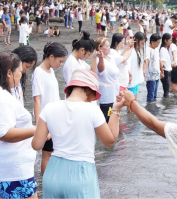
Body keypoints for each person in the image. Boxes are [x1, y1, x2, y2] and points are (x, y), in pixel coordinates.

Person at [32, 69, 124, 198]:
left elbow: (36, 145)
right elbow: (109, 141)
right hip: (81, 175)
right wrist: (116, 110)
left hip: (52, 174)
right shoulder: (92, 110)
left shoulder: (49, 108)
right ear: (88, 90)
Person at [0, 53, 37, 199]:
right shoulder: (3, 98)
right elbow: (4, 133)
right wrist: (36, 130)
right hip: (15, 171)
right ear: (9, 73)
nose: (21, 75)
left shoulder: (6, 95)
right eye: (20, 72)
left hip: (13, 169)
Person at [32, 42, 68, 174]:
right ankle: (47, 183)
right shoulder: (38, 72)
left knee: (56, 152)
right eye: (60, 61)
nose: (61, 64)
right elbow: (37, 100)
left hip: (57, 117)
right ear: (51, 57)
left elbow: (55, 95)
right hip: (46, 120)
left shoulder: (51, 71)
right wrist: (39, 127)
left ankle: (55, 178)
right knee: (47, 154)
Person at [94, 37, 119, 122]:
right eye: (107, 46)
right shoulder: (98, 60)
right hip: (106, 97)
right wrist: (101, 57)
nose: (109, 48)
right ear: (100, 48)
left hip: (114, 94)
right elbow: (101, 70)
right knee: (106, 120)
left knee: (114, 119)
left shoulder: (110, 58)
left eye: (109, 46)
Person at [143, 33, 162, 103]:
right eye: (158, 42)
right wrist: (144, 71)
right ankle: (149, 109)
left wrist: (161, 70)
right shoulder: (148, 49)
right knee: (150, 95)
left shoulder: (156, 49)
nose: (158, 44)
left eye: (159, 42)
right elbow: (146, 60)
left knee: (155, 95)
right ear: (152, 42)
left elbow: (158, 60)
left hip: (157, 75)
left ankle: (153, 110)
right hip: (150, 76)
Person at [127, 32, 145, 98]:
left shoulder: (137, 50)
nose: (142, 45)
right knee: (131, 104)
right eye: (141, 43)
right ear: (136, 41)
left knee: (134, 102)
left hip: (136, 81)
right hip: (132, 82)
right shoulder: (131, 51)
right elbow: (127, 66)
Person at [159, 33, 173, 97]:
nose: (171, 41)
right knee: (166, 91)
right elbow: (161, 62)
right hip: (166, 72)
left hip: (168, 71)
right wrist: (162, 72)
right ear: (165, 40)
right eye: (170, 40)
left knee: (167, 90)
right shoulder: (163, 50)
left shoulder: (165, 49)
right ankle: (167, 106)